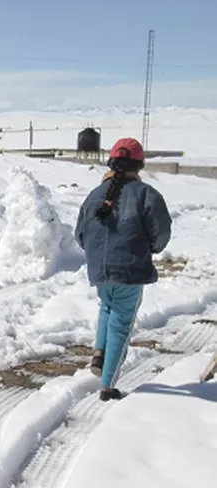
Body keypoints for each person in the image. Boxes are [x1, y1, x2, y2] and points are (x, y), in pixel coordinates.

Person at [75, 137, 172, 401]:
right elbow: (160, 232)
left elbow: (80, 234)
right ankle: (108, 386)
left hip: (99, 270)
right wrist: (150, 248)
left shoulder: (93, 195)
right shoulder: (147, 194)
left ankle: (99, 353)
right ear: (139, 165)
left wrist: (97, 254)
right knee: (121, 324)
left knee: (107, 307)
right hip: (129, 270)